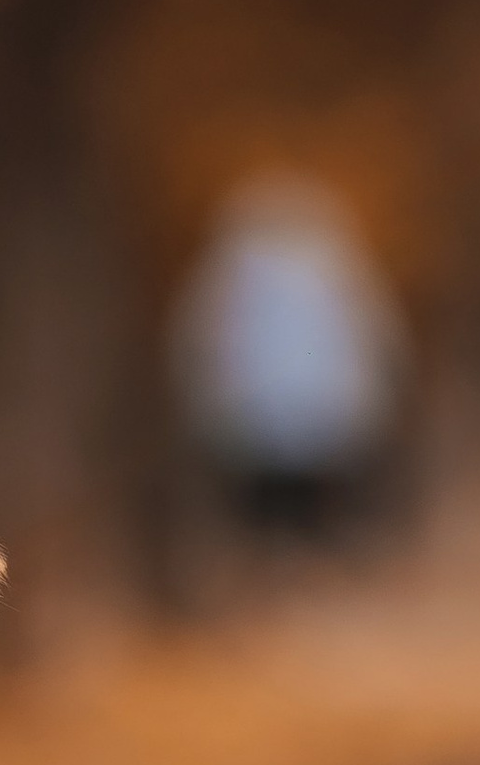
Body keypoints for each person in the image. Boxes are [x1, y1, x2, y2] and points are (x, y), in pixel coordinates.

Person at [168, 170, 407, 536]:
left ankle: (275, 572)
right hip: (327, 414)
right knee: (314, 512)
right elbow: (376, 329)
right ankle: (307, 572)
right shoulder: (335, 259)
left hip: (250, 414)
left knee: (264, 513)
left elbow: (198, 333)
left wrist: (202, 397)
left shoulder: (233, 261)